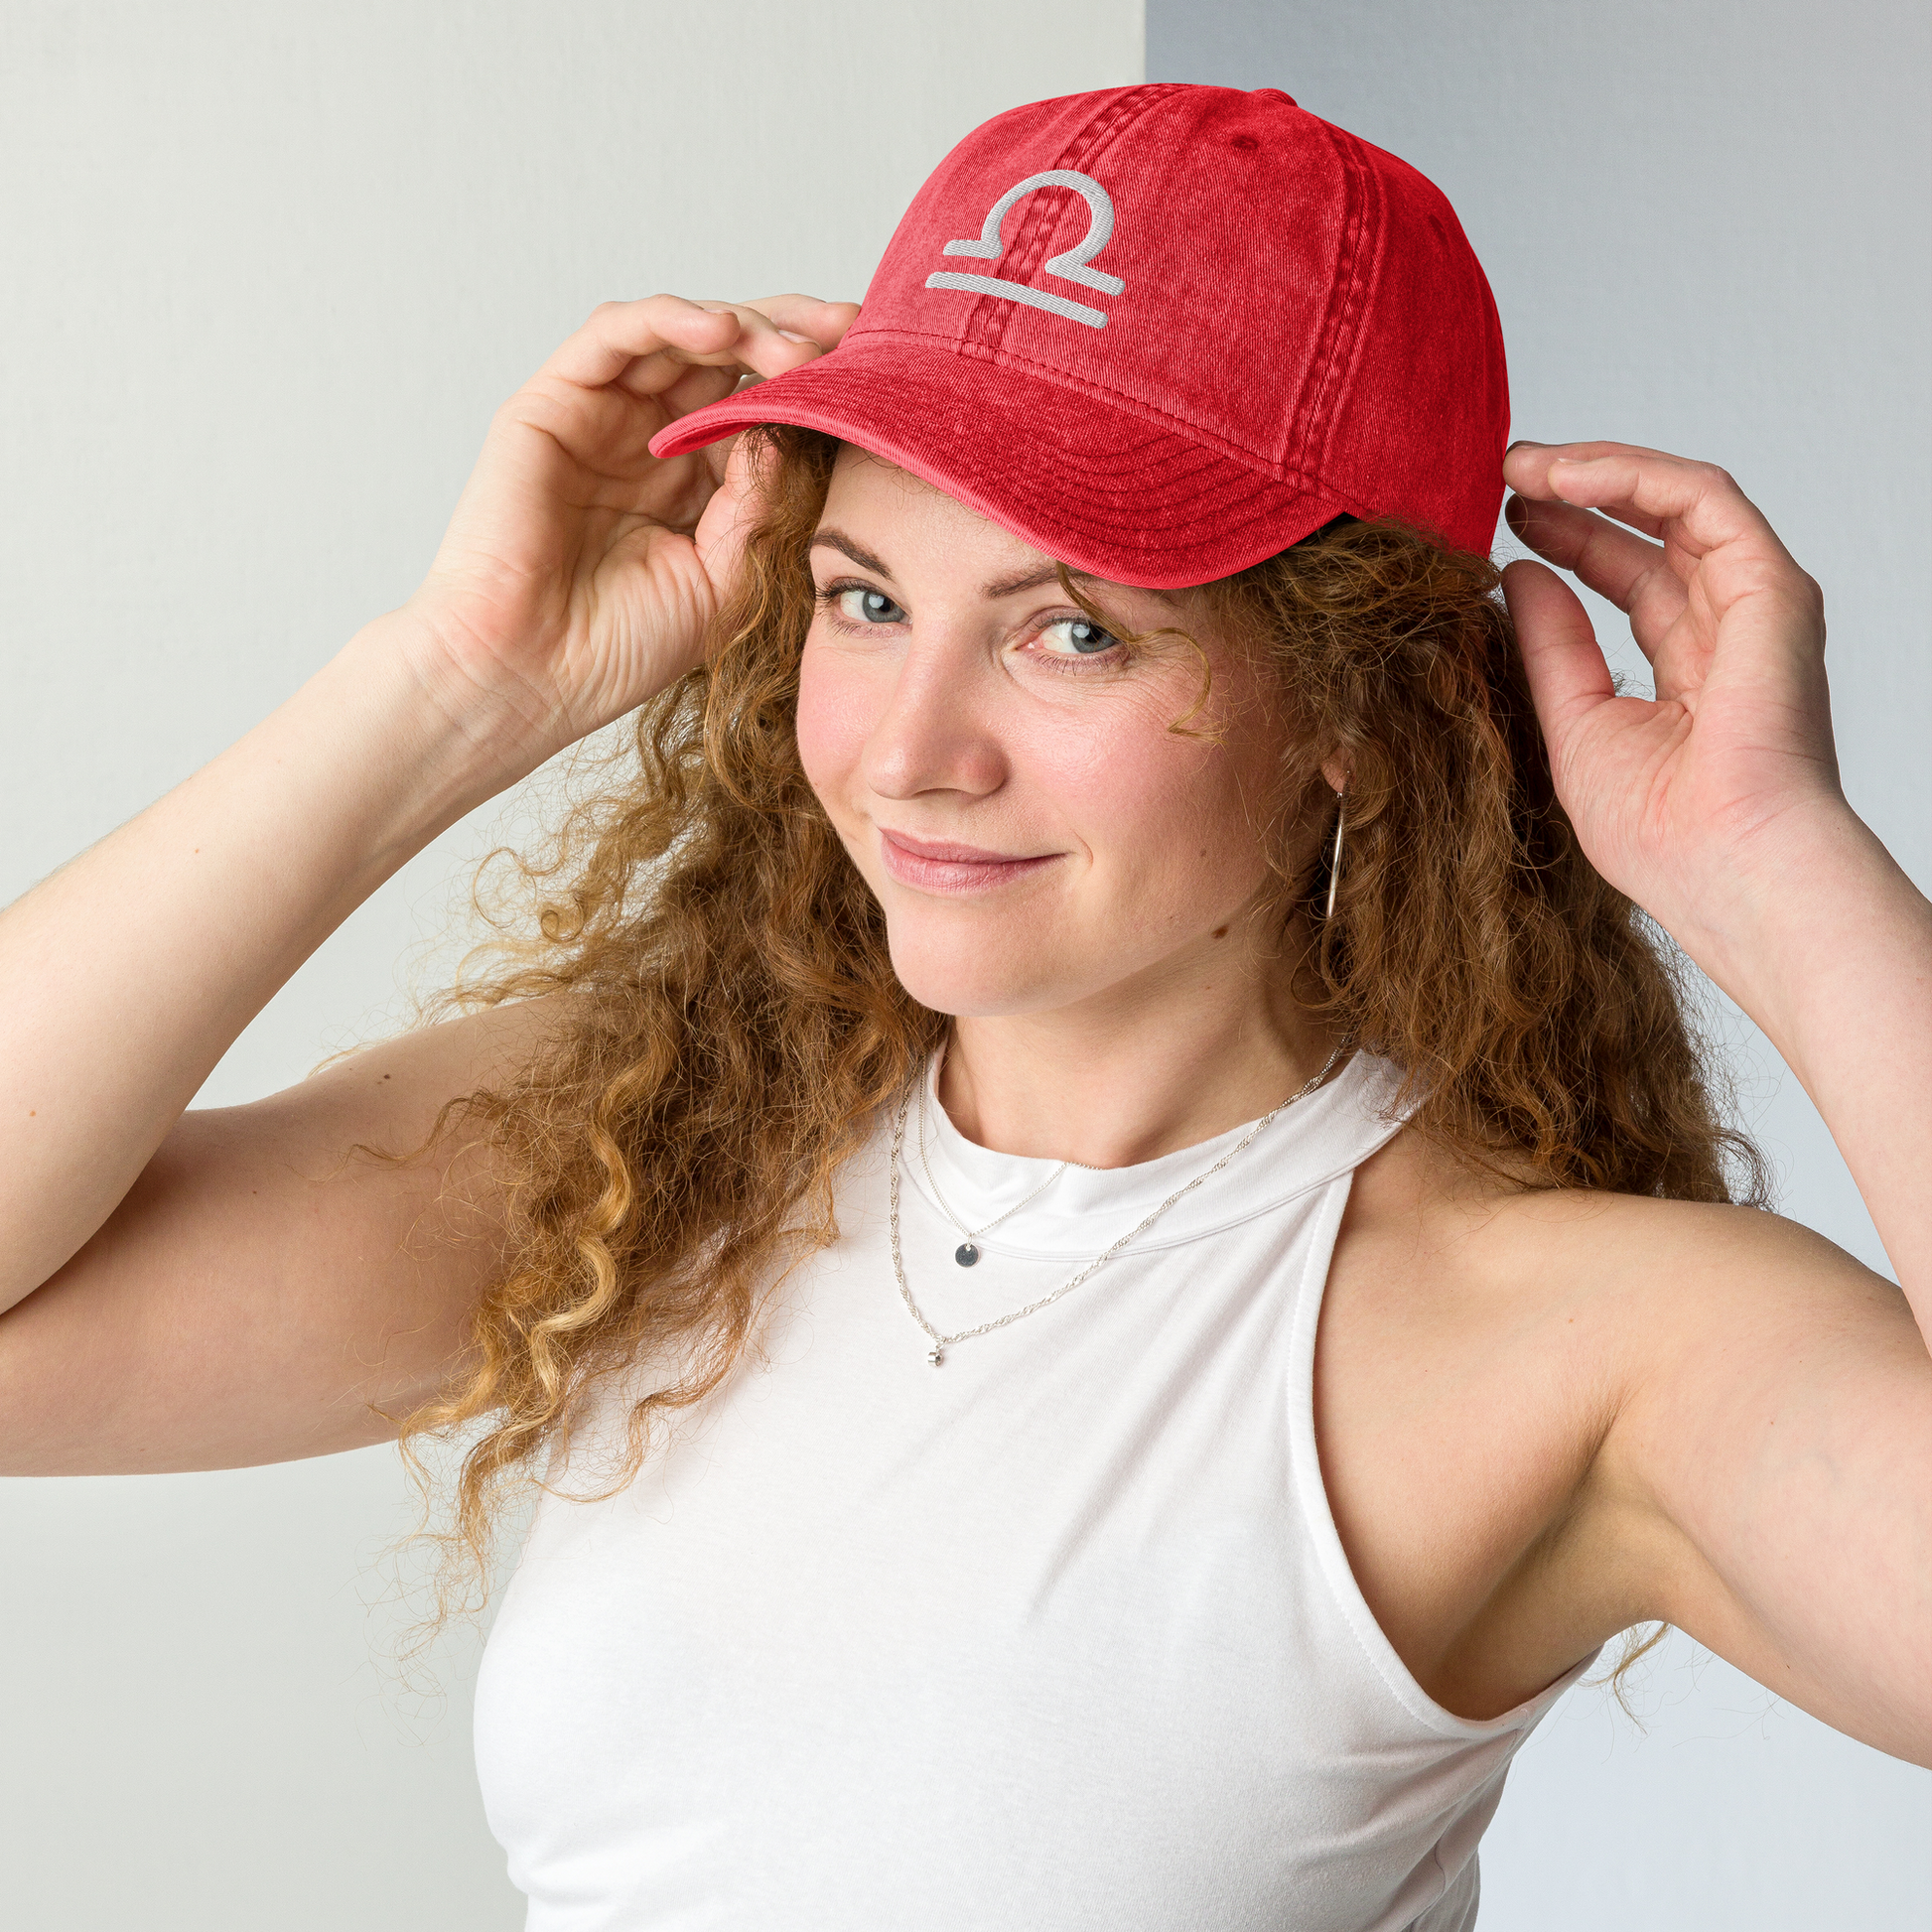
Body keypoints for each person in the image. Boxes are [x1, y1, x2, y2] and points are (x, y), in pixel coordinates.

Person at [0, 79, 1925, 1931]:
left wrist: (1773, 866)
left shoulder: (1565, 1341)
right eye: (863, 600)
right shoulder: (659, 1143)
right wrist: (448, 683)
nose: (913, 751)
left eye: (1069, 630)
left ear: (1356, 702)